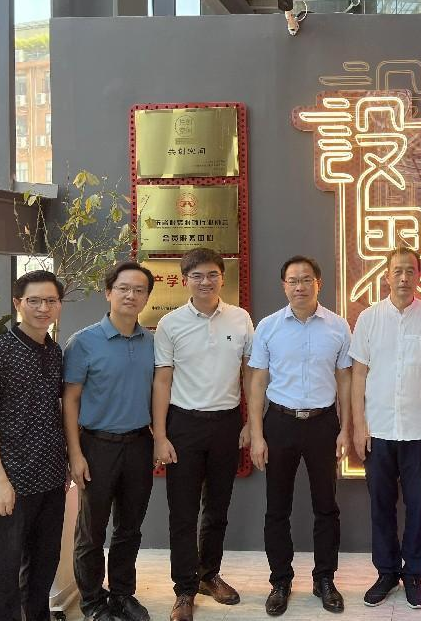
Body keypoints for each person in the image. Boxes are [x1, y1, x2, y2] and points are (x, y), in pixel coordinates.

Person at [247, 255, 352, 616]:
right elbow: (257, 382)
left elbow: (345, 379)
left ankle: (325, 579)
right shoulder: (268, 327)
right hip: (280, 423)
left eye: (306, 279)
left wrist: (346, 427)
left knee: (327, 507)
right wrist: (257, 434)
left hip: (323, 424)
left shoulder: (338, 326)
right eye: (293, 281)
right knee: (277, 508)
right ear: (284, 286)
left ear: (318, 283)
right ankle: (280, 581)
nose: (300, 286)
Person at [152, 248, 253, 621]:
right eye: (197, 276)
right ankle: (184, 589)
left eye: (212, 274)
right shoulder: (170, 324)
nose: (205, 281)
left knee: (217, 507)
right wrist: (160, 435)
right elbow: (162, 381)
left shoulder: (241, 319)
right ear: (185, 281)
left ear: (222, 278)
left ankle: (209, 574)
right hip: (183, 424)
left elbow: (250, 373)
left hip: (227, 422)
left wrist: (250, 422)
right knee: (182, 511)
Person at [350, 246, 421, 610]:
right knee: (381, 506)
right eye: (398, 271)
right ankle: (386, 572)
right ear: (387, 276)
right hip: (377, 430)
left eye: (410, 271)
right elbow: (358, 374)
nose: (404, 277)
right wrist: (359, 425)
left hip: (419, 430)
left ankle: (413, 574)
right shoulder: (368, 318)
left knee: (418, 507)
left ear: (419, 276)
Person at [0, 270, 68, 621]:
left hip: (50, 477)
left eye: (51, 301)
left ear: (59, 305)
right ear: (18, 303)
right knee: (5, 569)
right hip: (8, 480)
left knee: (43, 565)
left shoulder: (54, 351)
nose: (43, 308)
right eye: (34, 301)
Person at [63, 261, 157, 621]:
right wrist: (75, 453)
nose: (131, 295)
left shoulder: (151, 342)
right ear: (108, 293)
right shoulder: (83, 342)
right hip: (96, 446)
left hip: (139, 445)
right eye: (123, 288)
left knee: (130, 528)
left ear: (147, 297)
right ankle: (92, 602)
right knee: (91, 531)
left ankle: (121, 595)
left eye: (139, 290)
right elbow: (70, 400)